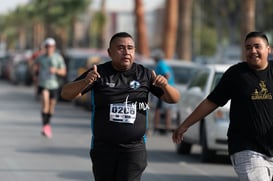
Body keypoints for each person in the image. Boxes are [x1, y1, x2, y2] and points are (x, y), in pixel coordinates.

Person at [61, 32, 180, 181]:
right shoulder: (99, 73)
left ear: (134, 51)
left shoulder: (145, 75)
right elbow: (66, 93)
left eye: (130, 48)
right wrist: (85, 82)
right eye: (121, 48)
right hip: (103, 148)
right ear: (110, 52)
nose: (126, 52)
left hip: (134, 149)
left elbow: (174, 98)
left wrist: (166, 86)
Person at [172, 31, 273, 181]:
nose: (253, 51)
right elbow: (211, 102)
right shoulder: (236, 74)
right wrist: (185, 125)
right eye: (248, 47)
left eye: (257, 46)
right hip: (246, 148)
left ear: (268, 49)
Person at [34, 37, 67, 138]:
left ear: (54, 47)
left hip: (54, 85)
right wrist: (35, 74)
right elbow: (34, 66)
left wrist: (56, 71)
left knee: (51, 107)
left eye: (51, 46)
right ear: (45, 47)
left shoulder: (58, 58)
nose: (49, 48)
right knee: (45, 104)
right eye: (47, 46)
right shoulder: (41, 57)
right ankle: (45, 126)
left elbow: (64, 72)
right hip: (43, 84)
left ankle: (48, 124)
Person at [151, 50, 176, 134]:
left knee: (166, 110)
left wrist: (164, 85)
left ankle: (166, 129)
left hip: (165, 90)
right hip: (162, 89)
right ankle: (157, 127)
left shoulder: (161, 64)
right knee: (159, 109)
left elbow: (167, 74)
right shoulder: (162, 64)